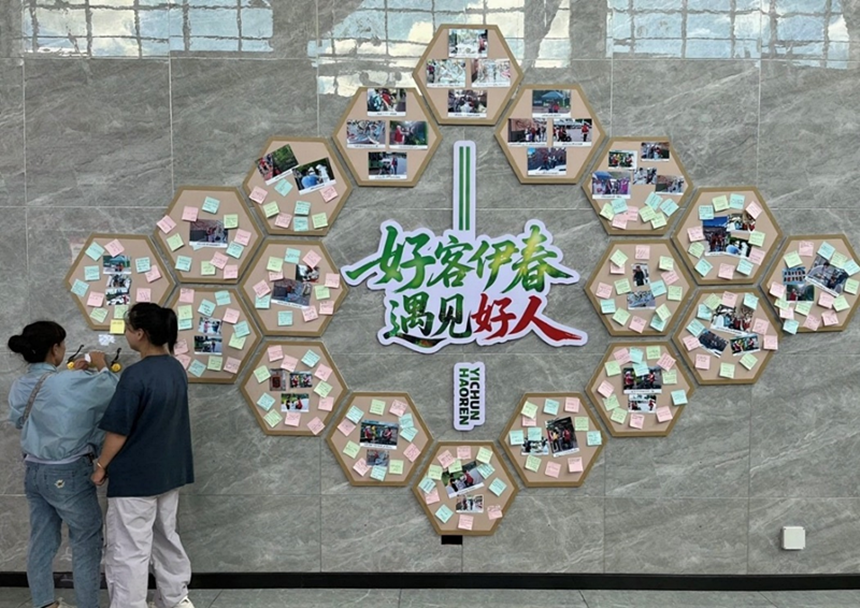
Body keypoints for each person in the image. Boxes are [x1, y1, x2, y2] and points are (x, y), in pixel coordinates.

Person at [8, 321, 120, 608]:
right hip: (67, 473)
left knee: (42, 540)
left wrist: (73, 376)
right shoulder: (68, 381)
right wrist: (102, 365)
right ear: (55, 349)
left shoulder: (21, 385)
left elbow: (20, 419)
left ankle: (44, 603)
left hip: (34, 472)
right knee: (86, 539)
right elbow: (112, 390)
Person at [92, 303, 195, 608]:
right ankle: (176, 600)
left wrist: (101, 465)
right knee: (166, 538)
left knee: (128, 549)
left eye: (128, 328)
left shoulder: (135, 376)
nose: (126, 334)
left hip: (135, 478)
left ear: (141, 334)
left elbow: (117, 431)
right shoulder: (176, 369)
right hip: (169, 471)